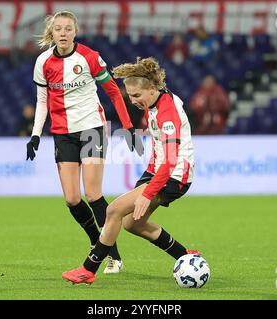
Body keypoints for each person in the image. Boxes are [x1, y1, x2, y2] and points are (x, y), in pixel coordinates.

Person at [62, 57, 199, 284]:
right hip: (157, 170)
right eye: (130, 96)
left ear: (153, 89)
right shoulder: (155, 101)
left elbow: (172, 159)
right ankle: (185, 257)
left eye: (137, 96)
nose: (133, 101)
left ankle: (89, 269)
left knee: (114, 210)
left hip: (174, 175)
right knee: (132, 224)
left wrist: (147, 193)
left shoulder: (167, 112)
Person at [26, 11, 144, 274]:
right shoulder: (43, 61)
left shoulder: (89, 57)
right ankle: (96, 242)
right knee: (71, 198)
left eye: (68, 28)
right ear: (52, 32)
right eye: (58, 29)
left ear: (75, 32)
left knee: (93, 194)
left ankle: (112, 256)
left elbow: (114, 92)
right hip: (62, 132)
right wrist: (35, 134)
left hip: (92, 128)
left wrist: (129, 128)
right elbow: (42, 101)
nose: (63, 33)